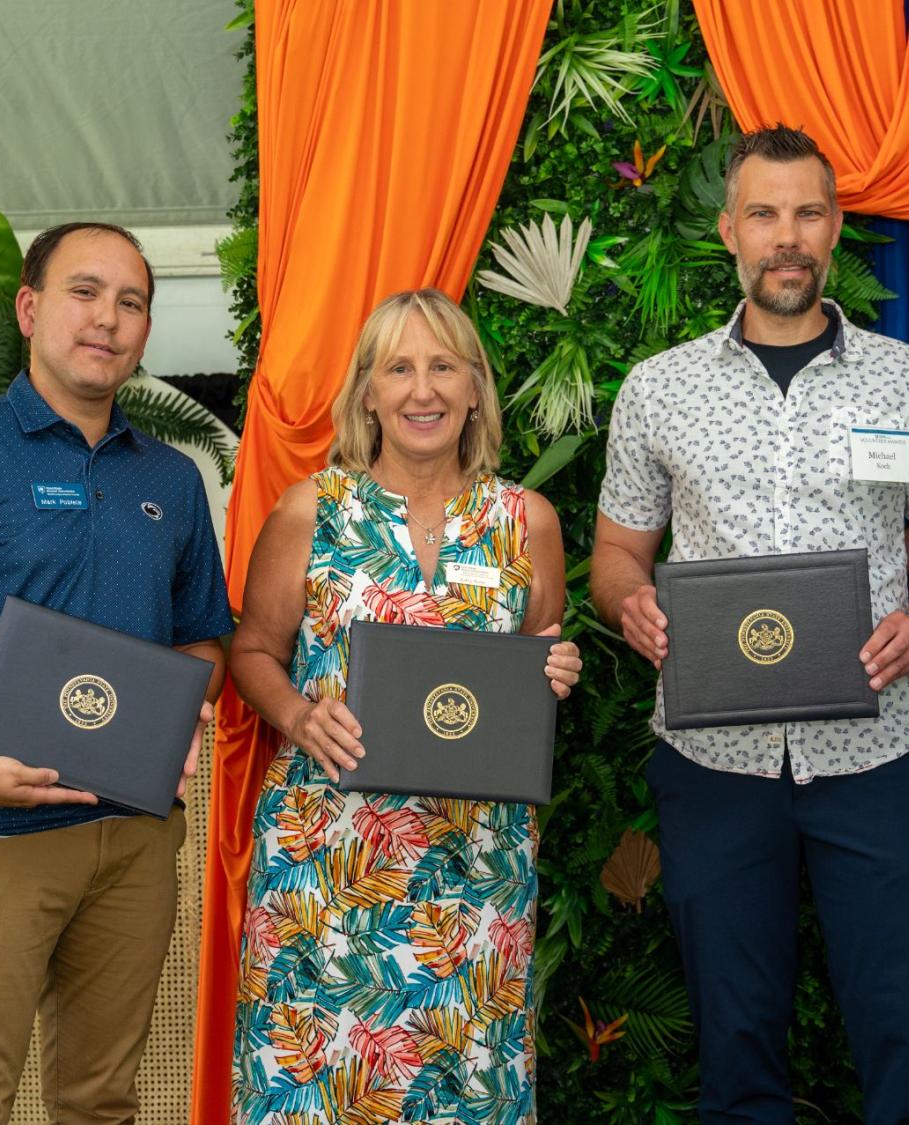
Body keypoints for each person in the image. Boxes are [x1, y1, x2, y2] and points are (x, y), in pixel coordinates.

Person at [590, 124, 909, 1125]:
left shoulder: (907, 379)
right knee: (735, 1063)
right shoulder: (659, 387)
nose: (787, 235)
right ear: (729, 231)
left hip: (879, 755)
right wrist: (630, 602)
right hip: (714, 762)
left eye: (808, 212)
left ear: (835, 225)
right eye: (764, 213)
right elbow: (615, 554)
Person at [0, 221, 234, 1124]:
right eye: (84, 291)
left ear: (144, 331)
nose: (107, 318)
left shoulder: (173, 480)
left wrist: (180, 710)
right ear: (28, 308)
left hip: (135, 838)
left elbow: (205, 642)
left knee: (100, 1101)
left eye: (130, 302)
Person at [228, 288, 582, 1124]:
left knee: (466, 1095)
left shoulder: (526, 522)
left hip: (474, 874)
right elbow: (249, 653)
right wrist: (298, 714)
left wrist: (556, 668)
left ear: (473, 390)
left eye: (442, 367)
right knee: (317, 1093)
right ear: (368, 394)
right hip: (329, 872)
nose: (422, 389)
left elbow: (537, 658)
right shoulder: (312, 512)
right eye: (399, 368)